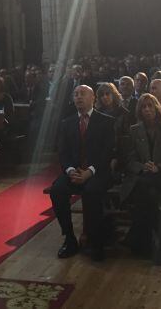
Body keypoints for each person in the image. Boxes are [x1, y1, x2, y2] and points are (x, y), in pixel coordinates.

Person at [49, 85, 115, 262]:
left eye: (83, 94)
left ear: (93, 98)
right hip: (74, 171)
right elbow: (62, 153)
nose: (78, 97)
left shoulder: (106, 121)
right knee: (57, 191)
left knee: (92, 192)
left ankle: (95, 241)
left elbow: (107, 152)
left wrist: (90, 172)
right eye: (76, 94)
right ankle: (70, 238)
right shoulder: (67, 123)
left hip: (97, 171)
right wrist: (70, 171)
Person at [120, 93, 161, 264]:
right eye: (143, 107)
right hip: (140, 178)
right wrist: (142, 167)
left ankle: (137, 238)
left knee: (145, 194)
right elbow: (129, 159)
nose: (147, 110)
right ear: (139, 110)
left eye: (150, 106)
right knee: (147, 193)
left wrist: (158, 167)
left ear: (156, 108)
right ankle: (160, 242)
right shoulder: (134, 130)